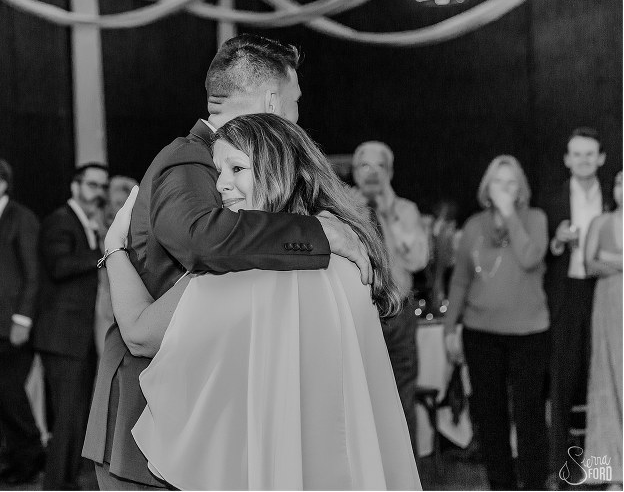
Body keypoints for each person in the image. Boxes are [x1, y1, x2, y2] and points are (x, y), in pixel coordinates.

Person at [83, 34, 372, 491]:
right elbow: (205, 241)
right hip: (149, 425)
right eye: (296, 101)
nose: (299, 115)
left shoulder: (230, 167)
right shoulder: (189, 159)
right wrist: (320, 234)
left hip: (199, 423)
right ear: (274, 101)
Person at [103, 114, 419, 490]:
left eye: (237, 168)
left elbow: (140, 332)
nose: (220, 185)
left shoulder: (240, 270)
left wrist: (113, 249)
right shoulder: (348, 254)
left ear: (278, 169)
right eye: (218, 171)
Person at [444, 155, 550, 490]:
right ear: (486, 188)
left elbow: (531, 258)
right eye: (497, 182)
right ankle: (500, 485)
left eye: (510, 182)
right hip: (480, 334)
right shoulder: (474, 226)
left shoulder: (535, 218)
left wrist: (509, 215)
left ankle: (534, 484)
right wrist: (450, 328)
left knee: (530, 417)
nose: (504, 188)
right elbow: (460, 280)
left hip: (529, 333)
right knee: (490, 420)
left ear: (520, 190)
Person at [350, 141, 430, 451]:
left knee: (401, 400)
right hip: (358, 315)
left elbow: (418, 260)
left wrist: (390, 216)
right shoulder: (339, 207)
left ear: (390, 171)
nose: (371, 173)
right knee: (360, 401)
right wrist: (355, 211)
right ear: (354, 172)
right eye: (364, 166)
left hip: (399, 316)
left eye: (378, 166)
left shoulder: (405, 210)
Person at [541, 128, 611, 482]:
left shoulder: (616, 199)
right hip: (565, 294)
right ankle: (560, 471)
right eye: (576, 154)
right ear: (567, 159)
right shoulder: (551, 199)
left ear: (600, 158)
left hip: (606, 293)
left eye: (590, 154)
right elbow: (538, 252)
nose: (583, 160)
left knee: (604, 377)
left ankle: (603, 468)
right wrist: (556, 241)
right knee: (562, 380)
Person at [34, 162, 108, 490]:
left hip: (77, 334)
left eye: (102, 187)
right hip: (62, 334)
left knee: (75, 417)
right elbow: (60, 265)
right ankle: (57, 484)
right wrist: (105, 252)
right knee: (66, 419)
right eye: (92, 185)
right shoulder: (60, 220)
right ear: (75, 186)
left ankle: (65, 482)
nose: (99, 193)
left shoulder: (82, 222)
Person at [0, 157, 44, 485]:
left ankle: (29, 461)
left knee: (12, 397)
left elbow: (33, 273)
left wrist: (22, 320)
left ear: (2, 185)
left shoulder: (20, 217)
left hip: (13, 325)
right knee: (5, 397)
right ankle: (15, 460)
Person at [584, 170, 622, 487]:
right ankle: (607, 474)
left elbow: (602, 259)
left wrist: (611, 259)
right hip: (608, 306)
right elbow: (589, 264)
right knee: (604, 380)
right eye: (619, 182)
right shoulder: (601, 222)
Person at [94, 175, 139, 356]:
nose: (114, 208)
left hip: (133, 309)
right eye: (111, 202)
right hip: (103, 310)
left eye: (121, 202)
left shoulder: (139, 238)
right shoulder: (96, 235)